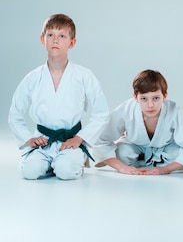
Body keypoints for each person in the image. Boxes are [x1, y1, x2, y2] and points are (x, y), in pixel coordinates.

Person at [8, 14, 109, 180]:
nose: (55, 40)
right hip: (43, 142)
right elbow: (15, 114)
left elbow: (102, 113)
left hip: (69, 141)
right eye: (50, 35)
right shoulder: (32, 78)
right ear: (42, 40)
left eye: (62, 36)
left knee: (66, 171)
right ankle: (46, 162)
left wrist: (79, 139)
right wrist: (28, 139)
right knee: (29, 172)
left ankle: (74, 159)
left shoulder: (84, 76)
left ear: (72, 43)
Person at [92, 69, 183, 175]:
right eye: (144, 98)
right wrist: (122, 168)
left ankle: (155, 162)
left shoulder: (174, 111)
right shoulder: (126, 110)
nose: (150, 105)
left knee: (178, 154)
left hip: (166, 150)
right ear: (135, 97)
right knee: (122, 154)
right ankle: (142, 159)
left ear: (165, 96)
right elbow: (100, 140)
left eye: (156, 98)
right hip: (134, 146)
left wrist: (166, 169)